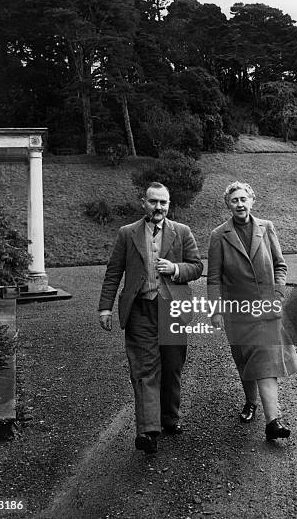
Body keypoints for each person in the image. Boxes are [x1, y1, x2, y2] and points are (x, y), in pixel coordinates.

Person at [98, 182, 203, 454]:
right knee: (144, 369)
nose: (158, 207)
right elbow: (113, 272)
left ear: (169, 205)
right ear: (143, 202)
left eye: (163, 203)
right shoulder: (127, 233)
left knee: (171, 366)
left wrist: (176, 268)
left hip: (172, 310)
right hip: (140, 310)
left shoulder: (182, 232)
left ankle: (169, 418)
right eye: (154, 201)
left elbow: (197, 267)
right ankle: (148, 431)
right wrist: (105, 307)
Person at [207, 181, 297, 442]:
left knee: (266, 359)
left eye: (243, 199)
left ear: (252, 201)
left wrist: (278, 294)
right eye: (234, 200)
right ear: (228, 204)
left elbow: (280, 265)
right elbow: (213, 278)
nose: (239, 203)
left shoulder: (267, 227)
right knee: (244, 361)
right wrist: (215, 311)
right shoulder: (219, 235)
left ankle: (273, 421)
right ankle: (250, 403)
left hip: (266, 308)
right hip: (236, 311)